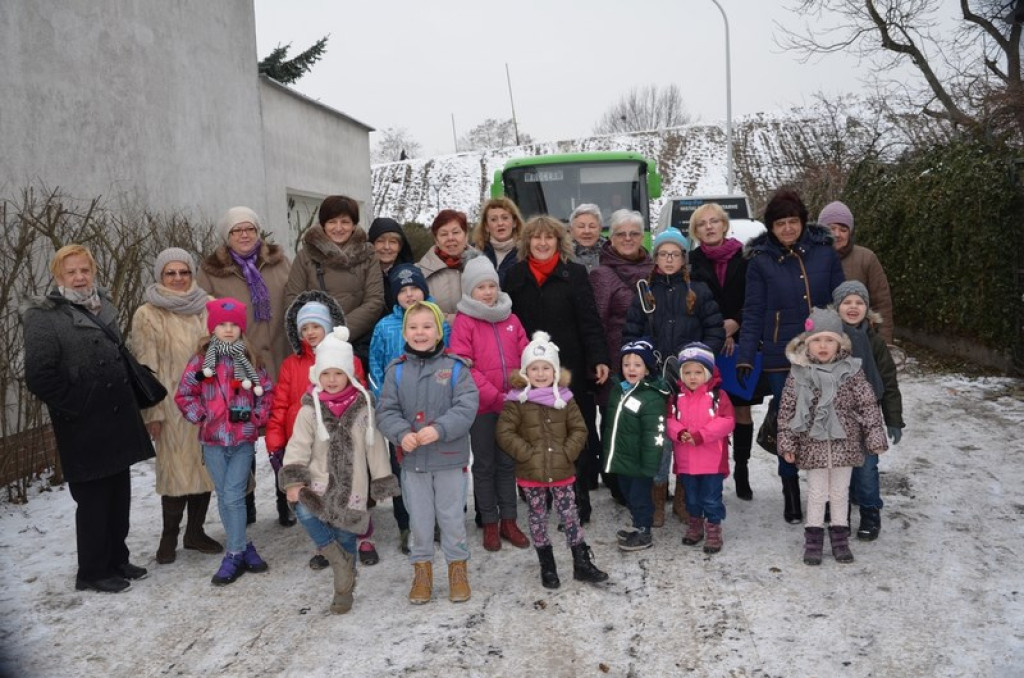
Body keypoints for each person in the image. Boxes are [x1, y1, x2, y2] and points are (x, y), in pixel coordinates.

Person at [23, 244, 154, 593]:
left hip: (116, 419)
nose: (80, 277)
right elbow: (39, 375)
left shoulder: (101, 307)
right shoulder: (44, 317)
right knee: (94, 500)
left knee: (118, 494)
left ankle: (117, 558)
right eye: (72, 272)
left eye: (85, 270)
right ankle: (93, 571)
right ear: (57, 276)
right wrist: (79, 404)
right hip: (84, 424)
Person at [735, 189, 845, 525]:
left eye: (792, 221)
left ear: (802, 221)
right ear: (770, 226)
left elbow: (841, 300)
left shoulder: (824, 254)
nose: (787, 228)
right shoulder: (761, 261)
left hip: (824, 353)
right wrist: (745, 356)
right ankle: (791, 491)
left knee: (824, 423)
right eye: (780, 223)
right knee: (790, 425)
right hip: (782, 357)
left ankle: (824, 492)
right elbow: (752, 311)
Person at [278, 326, 400, 614]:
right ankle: (335, 559)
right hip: (318, 479)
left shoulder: (363, 407)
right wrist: (294, 480)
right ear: (317, 374)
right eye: (326, 373)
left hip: (353, 484)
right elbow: (298, 445)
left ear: (349, 374)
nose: (332, 380)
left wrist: (381, 479)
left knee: (347, 536)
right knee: (306, 511)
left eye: (338, 373)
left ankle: (343, 589)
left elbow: (375, 447)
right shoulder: (310, 409)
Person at [503, 215, 610, 524]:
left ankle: (578, 504)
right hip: (531, 371)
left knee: (574, 434)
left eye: (549, 237)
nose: (542, 242)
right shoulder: (514, 276)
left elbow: (590, 321)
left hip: (570, 369)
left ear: (559, 241)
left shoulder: (575, 273)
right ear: (527, 242)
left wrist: (599, 357)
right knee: (535, 433)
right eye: (536, 237)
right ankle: (540, 495)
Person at [376, 301, 479, 605]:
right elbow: (387, 411)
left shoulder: (455, 368)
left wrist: (440, 429)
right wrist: (401, 434)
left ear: (438, 331)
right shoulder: (396, 371)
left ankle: (457, 570)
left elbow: (466, 406)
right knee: (419, 519)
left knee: (451, 518)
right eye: (413, 327)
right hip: (413, 464)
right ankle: (421, 572)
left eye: (426, 326)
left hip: (449, 460)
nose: (420, 332)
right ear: (405, 332)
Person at [622, 228, 724, 528]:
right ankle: (657, 496)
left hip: (689, 380)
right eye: (664, 254)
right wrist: (639, 362)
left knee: (687, 436)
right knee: (658, 439)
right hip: (654, 379)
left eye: (675, 254)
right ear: (655, 258)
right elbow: (631, 330)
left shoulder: (700, 291)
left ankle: (684, 495)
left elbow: (715, 329)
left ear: (684, 258)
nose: (669, 259)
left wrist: (700, 362)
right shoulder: (644, 291)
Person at [197, 206, 291, 525]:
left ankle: (287, 498)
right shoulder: (211, 273)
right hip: (238, 369)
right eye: (237, 230)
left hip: (279, 360)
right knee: (241, 435)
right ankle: (245, 503)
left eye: (250, 228)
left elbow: (294, 303)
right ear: (227, 236)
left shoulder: (278, 263)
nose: (245, 235)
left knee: (284, 434)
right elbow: (206, 321)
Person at [496, 331, 609, 589]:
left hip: (561, 470)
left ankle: (581, 562)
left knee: (569, 515)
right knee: (537, 517)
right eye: (534, 368)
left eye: (546, 367)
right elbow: (505, 432)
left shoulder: (565, 400)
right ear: (525, 372)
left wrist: (567, 452)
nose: (540, 373)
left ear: (555, 370)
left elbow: (580, 429)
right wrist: (526, 454)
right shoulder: (517, 401)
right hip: (531, 473)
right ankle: (547, 565)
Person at [131, 248, 222, 565]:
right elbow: (146, 368)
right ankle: (168, 536)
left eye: (184, 272)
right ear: (160, 276)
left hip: (210, 401)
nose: (179, 278)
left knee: (205, 467)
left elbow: (223, 352)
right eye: (171, 273)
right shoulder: (148, 314)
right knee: (174, 472)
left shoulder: (209, 306)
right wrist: (152, 413)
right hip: (170, 404)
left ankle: (195, 533)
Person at [777, 308, 888, 566]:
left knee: (840, 493)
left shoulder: (851, 371)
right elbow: (787, 411)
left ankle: (840, 539)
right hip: (812, 445)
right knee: (817, 493)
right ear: (807, 343)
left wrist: (874, 437)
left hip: (845, 444)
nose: (823, 346)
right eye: (817, 340)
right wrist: (787, 442)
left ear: (839, 342)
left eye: (829, 340)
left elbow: (868, 405)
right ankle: (813, 540)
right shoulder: (798, 374)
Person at [175, 298, 274, 586]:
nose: (228, 330)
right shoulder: (201, 361)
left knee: (232, 493)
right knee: (225, 494)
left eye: (234, 325)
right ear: (212, 328)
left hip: (242, 440)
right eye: (222, 324)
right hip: (213, 441)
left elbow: (265, 392)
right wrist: (202, 415)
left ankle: (234, 553)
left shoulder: (251, 359)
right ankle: (243, 547)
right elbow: (184, 394)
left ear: (241, 329)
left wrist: (256, 417)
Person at [265, 291, 367, 567]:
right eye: (304, 328)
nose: (310, 332)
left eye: (315, 326)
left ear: (329, 326)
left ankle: (351, 540)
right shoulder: (291, 365)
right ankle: (325, 547)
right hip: (303, 441)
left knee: (340, 492)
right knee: (313, 498)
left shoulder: (348, 360)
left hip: (338, 441)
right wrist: (275, 440)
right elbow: (281, 405)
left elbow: (360, 397)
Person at [449, 257, 530, 551]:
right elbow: (464, 366)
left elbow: (526, 356)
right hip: (482, 408)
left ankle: (510, 519)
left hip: (512, 405)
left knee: (507, 464)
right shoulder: (465, 321)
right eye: (480, 287)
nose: (487, 292)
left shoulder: (511, 318)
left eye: (491, 285)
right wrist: (496, 397)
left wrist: (521, 388)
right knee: (484, 465)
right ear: (470, 291)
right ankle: (490, 522)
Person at [688, 202, 757, 501]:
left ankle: (741, 468)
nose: (710, 227)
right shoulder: (690, 261)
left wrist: (736, 323)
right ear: (695, 230)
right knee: (704, 410)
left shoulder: (747, 258)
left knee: (741, 408)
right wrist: (719, 328)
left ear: (725, 225)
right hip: (706, 342)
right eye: (702, 223)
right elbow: (691, 304)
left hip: (742, 341)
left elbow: (756, 298)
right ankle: (709, 472)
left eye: (715, 221)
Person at [832, 280, 905, 541]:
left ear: (867, 308)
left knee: (866, 468)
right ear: (837, 307)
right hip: (835, 415)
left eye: (859, 302)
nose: (853, 307)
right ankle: (839, 514)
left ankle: (870, 512)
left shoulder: (874, 341)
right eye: (847, 302)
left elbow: (888, 381)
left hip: (867, 415)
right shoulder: (827, 339)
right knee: (838, 466)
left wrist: (893, 419)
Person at [284, 195, 385, 367]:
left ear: (354, 225)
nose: (338, 228)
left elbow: (374, 301)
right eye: (332, 221)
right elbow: (293, 299)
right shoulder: (306, 255)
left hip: (355, 342)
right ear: (323, 224)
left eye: (345, 222)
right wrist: (316, 330)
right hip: (316, 344)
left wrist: (339, 331)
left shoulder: (368, 255)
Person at [667, 343, 736, 555]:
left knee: (711, 497)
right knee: (692, 497)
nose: (692, 377)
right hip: (686, 460)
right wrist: (679, 433)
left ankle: (713, 527)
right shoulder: (676, 398)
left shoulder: (717, 396)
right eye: (687, 372)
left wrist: (700, 436)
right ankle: (695, 523)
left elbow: (727, 421)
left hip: (711, 460)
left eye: (698, 372)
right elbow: (669, 421)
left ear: (707, 372)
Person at [601, 340, 669, 552]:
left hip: (640, 462)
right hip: (621, 458)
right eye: (627, 364)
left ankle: (644, 530)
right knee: (627, 494)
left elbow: (654, 434)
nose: (631, 369)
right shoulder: (618, 391)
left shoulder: (651, 397)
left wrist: (649, 464)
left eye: (637, 365)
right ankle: (638, 524)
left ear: (647, 369)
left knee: (640, 497)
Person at [819, 201, 895, 344]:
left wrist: (885, 344)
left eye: (843, 229)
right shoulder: (808, 259)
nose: (837, 234)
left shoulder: (867, 258)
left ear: (850, 232)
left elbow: (882, 304)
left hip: (860, 341)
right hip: (820, 343)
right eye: (831, 228)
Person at [416, 209, 480, 322]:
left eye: (456, 232)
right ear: (436, 239)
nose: (450, 238)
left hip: (477, 336)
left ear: (466, 235)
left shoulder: (482, 267)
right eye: (444, 234)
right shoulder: (419, 272)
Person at [367, 216, 414, 318]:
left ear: (400, 247)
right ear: (371, 244)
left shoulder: (411, 275)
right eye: (380, 241)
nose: (387, 247)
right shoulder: (362, 273)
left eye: (393, 242)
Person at [472, 197, 524, 284]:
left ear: (515, 222)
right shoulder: (474, 253)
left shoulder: (526, 253)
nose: (500, 223)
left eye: (505, 218)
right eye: (493, 219)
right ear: (486, 226)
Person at [569, 203, 606, 274]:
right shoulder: (563, 255)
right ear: (571, 230)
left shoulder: (612, 253)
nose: (587, 231)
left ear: (600, 229)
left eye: (592, 227)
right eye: (581, 226)